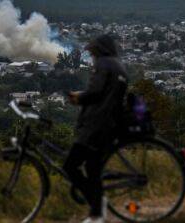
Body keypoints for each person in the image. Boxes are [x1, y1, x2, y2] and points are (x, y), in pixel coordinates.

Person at [64, 35, 128, 223]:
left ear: (99, 50)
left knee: (70, 166)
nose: (92, 56)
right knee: (93, 169)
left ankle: (97, 206)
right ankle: (97, 213)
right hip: (109, 125)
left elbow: (96, 92)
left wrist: (79, 97)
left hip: (96, 126)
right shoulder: (118, 65)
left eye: (93, 52)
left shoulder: (104, 64)